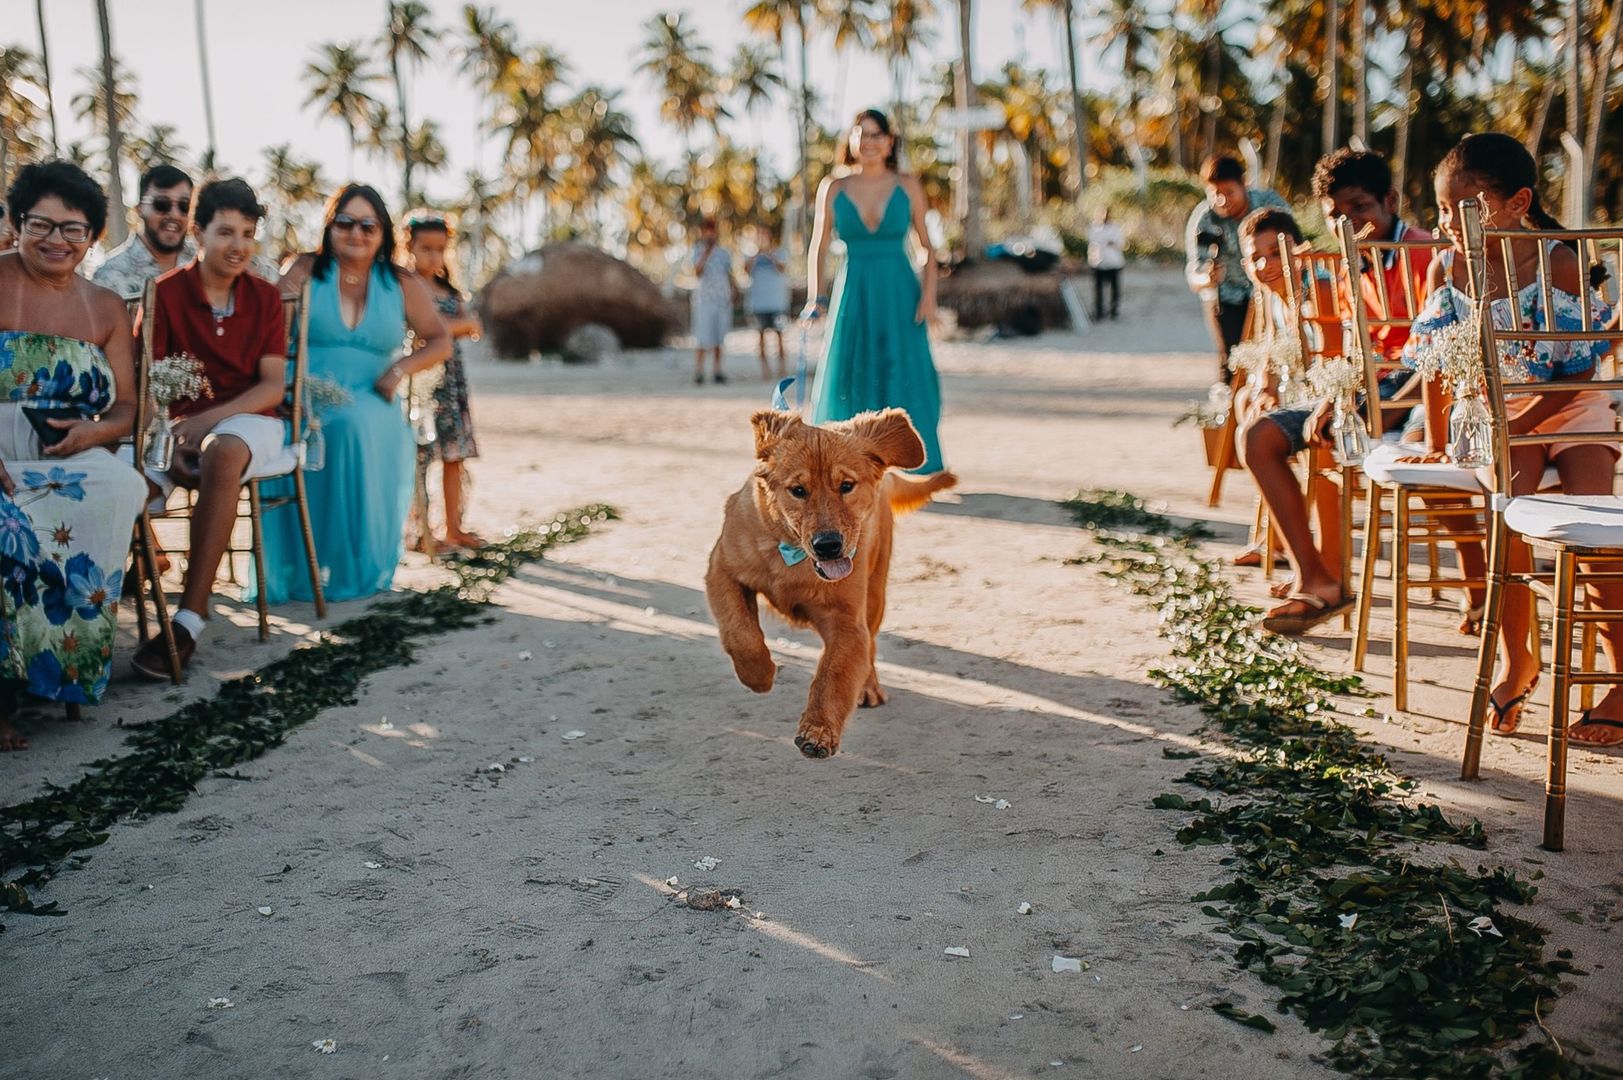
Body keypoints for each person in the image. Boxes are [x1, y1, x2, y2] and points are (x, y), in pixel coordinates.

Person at [1408, 133, 1619, 744]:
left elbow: (1581, 370)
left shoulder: (1558, 261)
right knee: (1508, 515)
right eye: (1443, 210)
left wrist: (1519, 424)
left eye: (1463, 209)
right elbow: (1437, 364)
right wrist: (1443, 434)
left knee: (1594, 524)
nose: (1448, 223)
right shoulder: (1451, 267)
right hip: (1507, 417)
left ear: (1518, 201)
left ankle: (1621, 673)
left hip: (1573, 406)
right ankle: (1520, 659)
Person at [0, 162, 148, 750]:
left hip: (67, 455)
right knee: (8, 526)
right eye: (43, 224)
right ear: (17, 223)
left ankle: (57, 667)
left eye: (74, 229)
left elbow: (127, 407)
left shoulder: (106, 307)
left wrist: (91, 434)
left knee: (122, 486)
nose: (57, 240)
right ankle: (4, 691)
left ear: (91, 237)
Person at [125, 178, 290, 680]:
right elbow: (147, 387)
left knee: (222, 449)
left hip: (251, 423)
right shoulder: (165, 294)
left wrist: (204, 421)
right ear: (198, 232)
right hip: (178, 430)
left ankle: (189, 619)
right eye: (225, 232)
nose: (238, 245)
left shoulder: (264, 298)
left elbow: (271, 387)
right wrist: (163, 441)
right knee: (129, 478)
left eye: (247, 233)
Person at [257, 184, 450, 605]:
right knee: (328, 426)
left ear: (383, 232)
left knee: (358, 424)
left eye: (368, 225)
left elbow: (440, 341)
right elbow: (271, 330)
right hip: (303, 390)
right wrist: (282, 386)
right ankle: (299, 567)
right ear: (329, 228)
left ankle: (351, 567)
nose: (356, 233)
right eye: (345, 223)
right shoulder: (305, 269)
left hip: (374, 393)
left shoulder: (401, 283)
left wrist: (400, 369)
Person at [802, 108, 945, 474]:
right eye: (861, 134)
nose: (869, 142)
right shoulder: (833, 187)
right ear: (850, 140)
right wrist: (816, 299)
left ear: (890, 141)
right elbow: (818, 246)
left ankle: (915, 467)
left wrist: (929, 297)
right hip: (853, 292)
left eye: (876, 134)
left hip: (900, 292)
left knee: (906, 372)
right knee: (851, 374)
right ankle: (848, 468)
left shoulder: (908, 184)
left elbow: (928, 248)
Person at [402, 211, 485, 552]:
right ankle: (421, 532)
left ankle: (454, 527)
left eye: (440, 249)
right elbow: (429, 329)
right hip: (423, 382)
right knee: (421, 458)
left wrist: (453, 326)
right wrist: (457, 326)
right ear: (409, 246)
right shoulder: (407, 285)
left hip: (453, 383)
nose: (434, 256)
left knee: (455, 456)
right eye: (426, 249)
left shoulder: (447, 287)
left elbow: (472, 326)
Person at [93, 163, 278, 302]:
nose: (174, 214)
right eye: (162, 204)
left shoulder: (209, 257)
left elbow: (274, 278)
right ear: (139, 209)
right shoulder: (110, 275)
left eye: (184, 206)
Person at [1185, 154, 1290, 381]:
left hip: (1271, 292)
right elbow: (1194, 275)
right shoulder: (1205, 219)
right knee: (1233, 364)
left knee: (1274, 359)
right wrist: (1208, 279)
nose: (1222, 201)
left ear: (1244, 184)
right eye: (1215, 195)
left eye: (1229, 193)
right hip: (1226, 299)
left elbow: (1294, 245)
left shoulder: (1269, 205)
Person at [690, 219, 735, 385]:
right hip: (704, 301)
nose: (710, 233)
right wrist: (706, 254)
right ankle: (699, 371)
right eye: (707, 230)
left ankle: (717, 370)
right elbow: (697, 272)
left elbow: (728, 273)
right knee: (703, 337)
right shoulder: (697, 250)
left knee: (718, 338)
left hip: (722, 300)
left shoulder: (723, 253)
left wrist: (733, 290)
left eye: (713, 230)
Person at [745, 223, 790, 381]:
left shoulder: (779, 252)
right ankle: (765, 371)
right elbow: (745, 270)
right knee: (761, 338)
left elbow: (782, 268)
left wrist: (770, 254)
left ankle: (782, 369)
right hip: (759, 303)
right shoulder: (752, 254)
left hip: (777, 302)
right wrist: (757, 254)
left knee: (780, 336)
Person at [1087, 207, 1125, 320]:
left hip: (1114, 262)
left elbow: (1120, 243)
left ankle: (1114, 310)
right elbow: (1092, 244)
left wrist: (1110, 243)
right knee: (1099, 289)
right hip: (1099, 263)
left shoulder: (1115, 228)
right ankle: (1099, 311)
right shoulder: (1094, 229)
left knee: (1115, 288)